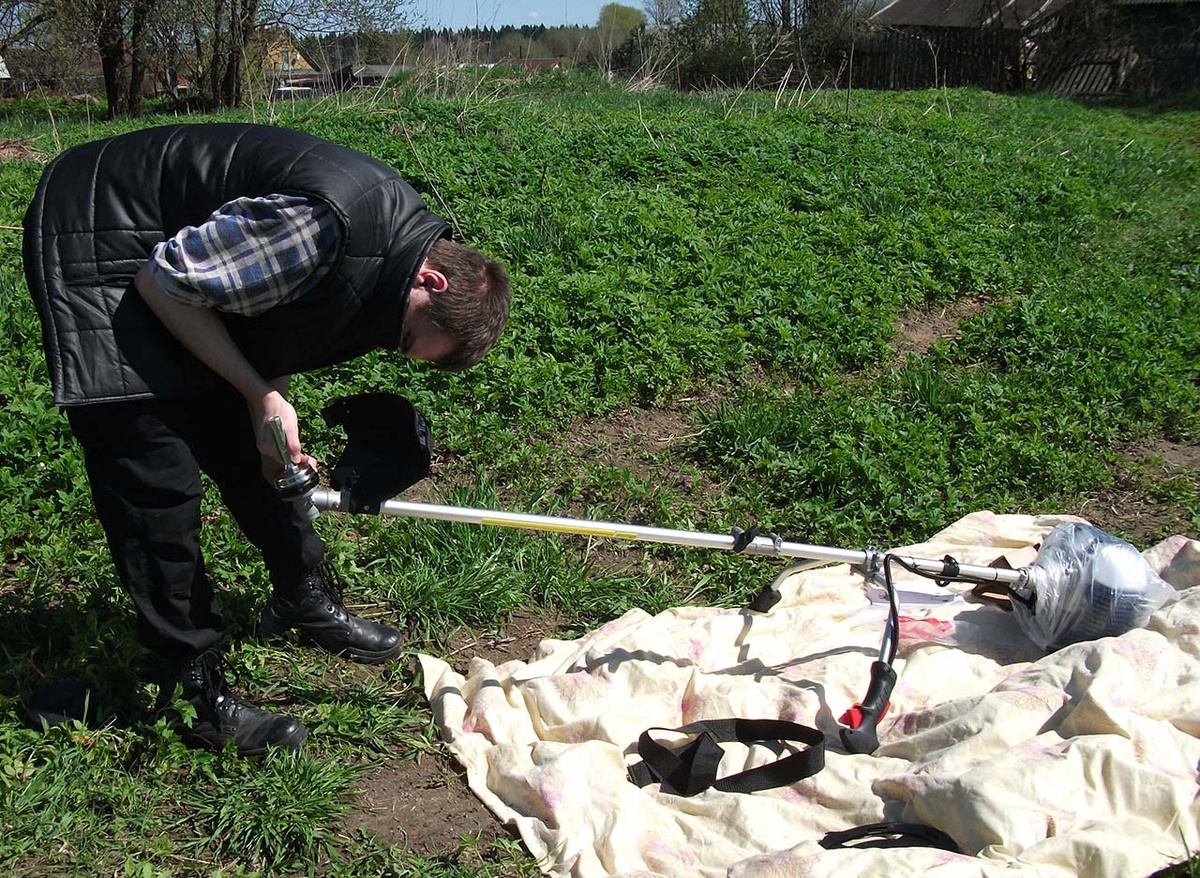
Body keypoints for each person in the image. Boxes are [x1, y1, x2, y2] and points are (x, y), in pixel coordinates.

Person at [23, 123, 511, 756]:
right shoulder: (324, 222)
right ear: (432, 281)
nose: (394, 343)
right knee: (154, 474)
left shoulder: (393, 252)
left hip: (184, 268)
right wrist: (259, 393)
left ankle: (301, 598)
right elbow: (164, 281)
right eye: (407, 335)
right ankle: (190, 688)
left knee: (261, 450)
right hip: (102, 242)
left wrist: (264, 403)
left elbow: (278, 314)